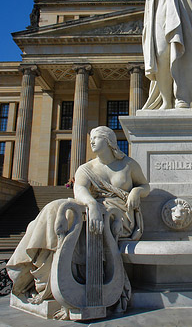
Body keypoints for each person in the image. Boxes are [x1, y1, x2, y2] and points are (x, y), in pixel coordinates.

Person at [7, 126, 150, 312]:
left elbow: (145, 185)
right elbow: (80, 189)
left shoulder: (129, 165)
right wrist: (92, 204)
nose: (91, 141)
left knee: (89, 222)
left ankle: (75, 282)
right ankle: (34, 269)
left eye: (96, 137)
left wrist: (137, 191)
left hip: (120, 215)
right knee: (55, 209)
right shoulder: (86, 168)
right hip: (95, 208)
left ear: (108, 141)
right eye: (91, 137)